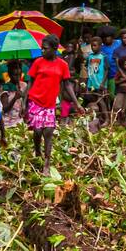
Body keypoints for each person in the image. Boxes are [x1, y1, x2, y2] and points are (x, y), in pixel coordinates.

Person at [25, 34, 79, 174]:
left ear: (55, 49)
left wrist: (76, 103)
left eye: (45, 48)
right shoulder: (38, 62)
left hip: (50, 103)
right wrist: (24, 102)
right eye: (42, 48)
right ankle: (37, 150)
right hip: (35, 100)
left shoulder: (63, 65)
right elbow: (30, 82)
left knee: (48, 132)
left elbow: (67, 85)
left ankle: (47, 163)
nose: (42, 51)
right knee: (37, 131)